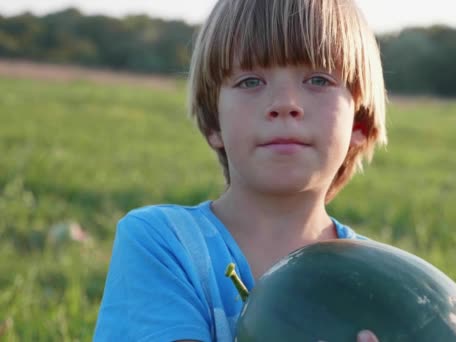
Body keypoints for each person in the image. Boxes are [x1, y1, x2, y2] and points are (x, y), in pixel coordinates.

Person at [94, 0, 387, 341]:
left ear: (360, 122)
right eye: (250, 82)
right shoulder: (163, 243)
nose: (284, 104)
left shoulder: (378, 282)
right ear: (213, 121)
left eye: (318, 80)